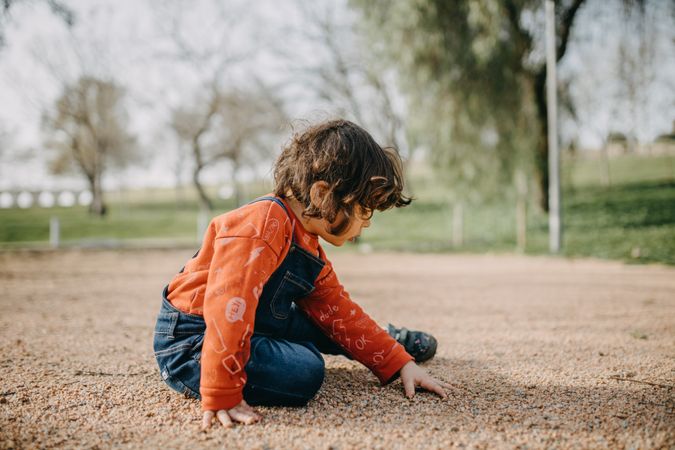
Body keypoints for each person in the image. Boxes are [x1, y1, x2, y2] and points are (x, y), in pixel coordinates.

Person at [153, 119, 449, 430]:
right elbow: (228, 305)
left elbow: (340, 312)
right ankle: (263, 356)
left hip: (258, 322)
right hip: (193, 341)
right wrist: (221, 391)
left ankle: (390, 343)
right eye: (365, 210)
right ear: (322, 194)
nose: (368, 223)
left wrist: (397, 362)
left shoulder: (308, 247)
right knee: (305, 370)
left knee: (323, 319)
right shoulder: (260, 225)